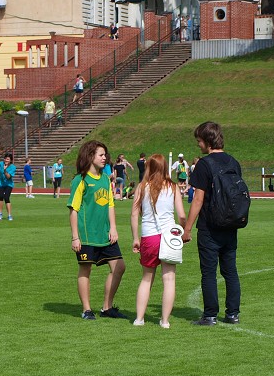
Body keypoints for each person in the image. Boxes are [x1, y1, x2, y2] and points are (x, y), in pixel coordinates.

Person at [182, 121, 243, 326]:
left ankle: (210, 315)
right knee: (230, 270)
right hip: (231, 224)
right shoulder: (234, 162)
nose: (198, 145)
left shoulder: (204, 164)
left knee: (209, 272)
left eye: (199, 141)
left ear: (208, 141)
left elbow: (198, 199)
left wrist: (187, 228)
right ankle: (233, 313)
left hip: (209, 226)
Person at [67, 140, 126, 320]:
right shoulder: (80, 180)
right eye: (101, 155)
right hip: (86, 236)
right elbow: (73, 210)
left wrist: (113, 228)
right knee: (85, 270)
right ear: (90, 156)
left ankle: (107, 308)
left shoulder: (105, 179)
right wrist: (75, 237)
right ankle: (86, 310)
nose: (104, 158)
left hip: (106, 235)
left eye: (105, 155)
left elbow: (110, 205)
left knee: (119, 267)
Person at [130, 154, 186, 329]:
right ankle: (165, 321)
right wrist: (183, 232)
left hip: (149, 237)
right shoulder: (173, 187)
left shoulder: (142, 187)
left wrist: (135, 238)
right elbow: (182, 215)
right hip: (169, 237)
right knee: (169, 279)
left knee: (146, 279)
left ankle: (139, 318)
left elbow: (134, 214)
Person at [0, 153, 16, 221]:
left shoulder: (13, 167)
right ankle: (0, 213)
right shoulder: (1, 164)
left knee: (6, 197)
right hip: (0, 183)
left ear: (10, 160)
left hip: (8, 184)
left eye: (7, 159)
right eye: (5, 159)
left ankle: (9, 215)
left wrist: (5, 170)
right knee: (1, 196)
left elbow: (8, 177)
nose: (6, 160)